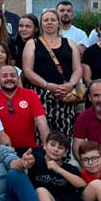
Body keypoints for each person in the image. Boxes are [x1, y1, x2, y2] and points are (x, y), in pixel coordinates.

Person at [22, 9, 83, 138]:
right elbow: (27, 70)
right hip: (40, 95)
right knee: (39, 134)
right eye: (46, 20)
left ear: (58, 23)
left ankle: (63, 158)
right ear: (41, 24)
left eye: (53, 20)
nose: (49, 23)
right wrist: (47, 85)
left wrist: (71, 85)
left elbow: (78, 69)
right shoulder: (32, 44)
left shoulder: (70, 43)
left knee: (64, 134)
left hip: (64, 95)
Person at [0, 66, 49, 152]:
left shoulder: (30, 95)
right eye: (5, 76)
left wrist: (47, 145)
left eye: (12, 76)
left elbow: (41, 121)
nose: (9, 78)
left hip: (29, 150)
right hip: (1, 151)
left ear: (18, 78)